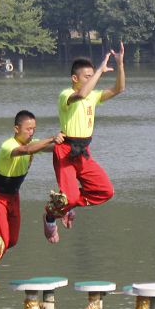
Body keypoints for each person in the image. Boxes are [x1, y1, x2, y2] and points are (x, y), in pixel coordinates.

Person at [0, 110, 64, 291]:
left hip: (13, 198)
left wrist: (68, 143)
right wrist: (51, 138)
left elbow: (51, 148)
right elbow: (26, 150)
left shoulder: (33, 144)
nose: (32, 132)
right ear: (16, 128)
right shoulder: (8, 146)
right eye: (28, 129)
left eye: (34, 129)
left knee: (11, 241)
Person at [43, 44, 125, 242]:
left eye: (92, 76)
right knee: (69, 196)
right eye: (86, 77)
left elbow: (119, 88)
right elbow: (80, 95)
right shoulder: (66, 95)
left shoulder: (94, 97)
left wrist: (120, 64)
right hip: (65, 151)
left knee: (106, 191)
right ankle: (51, 214)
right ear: (75, 79)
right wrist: (98, 70)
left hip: (83, 152)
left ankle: (66, 205)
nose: (92, 79)